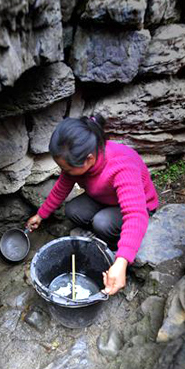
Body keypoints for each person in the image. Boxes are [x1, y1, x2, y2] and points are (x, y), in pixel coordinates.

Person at [25, 114, 159, 296]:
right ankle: (102, 231)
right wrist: (41, 215)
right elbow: (60, 189)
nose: (64, 172)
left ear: (88, 159)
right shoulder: (76, 161)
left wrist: (122, 260)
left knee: (102, 222)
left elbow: (135, 214)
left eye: (67, 170)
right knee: (73, 210)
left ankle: (112, 246)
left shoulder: (122, 164)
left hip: (140, 206)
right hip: (104, 199)